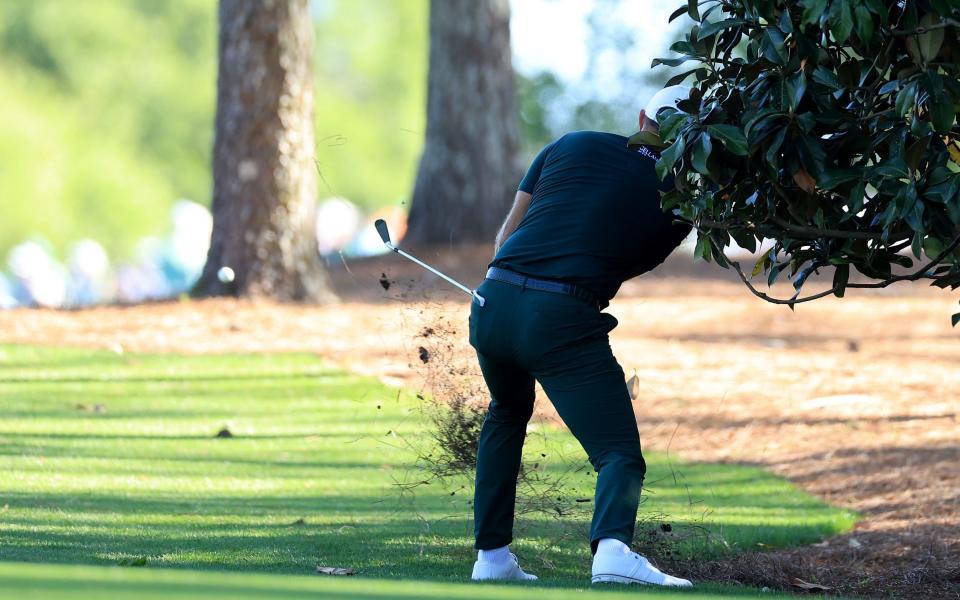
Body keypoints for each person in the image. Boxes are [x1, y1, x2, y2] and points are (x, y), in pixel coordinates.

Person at [468, 86, 694, 587]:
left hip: (491, 299)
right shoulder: (680, 202)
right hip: (559, 316)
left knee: (505, 415)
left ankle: (492, 560)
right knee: (617, 452)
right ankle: (613, 550)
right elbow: (626, 263)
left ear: (642, 117)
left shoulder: (570, 143)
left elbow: (507, 236)